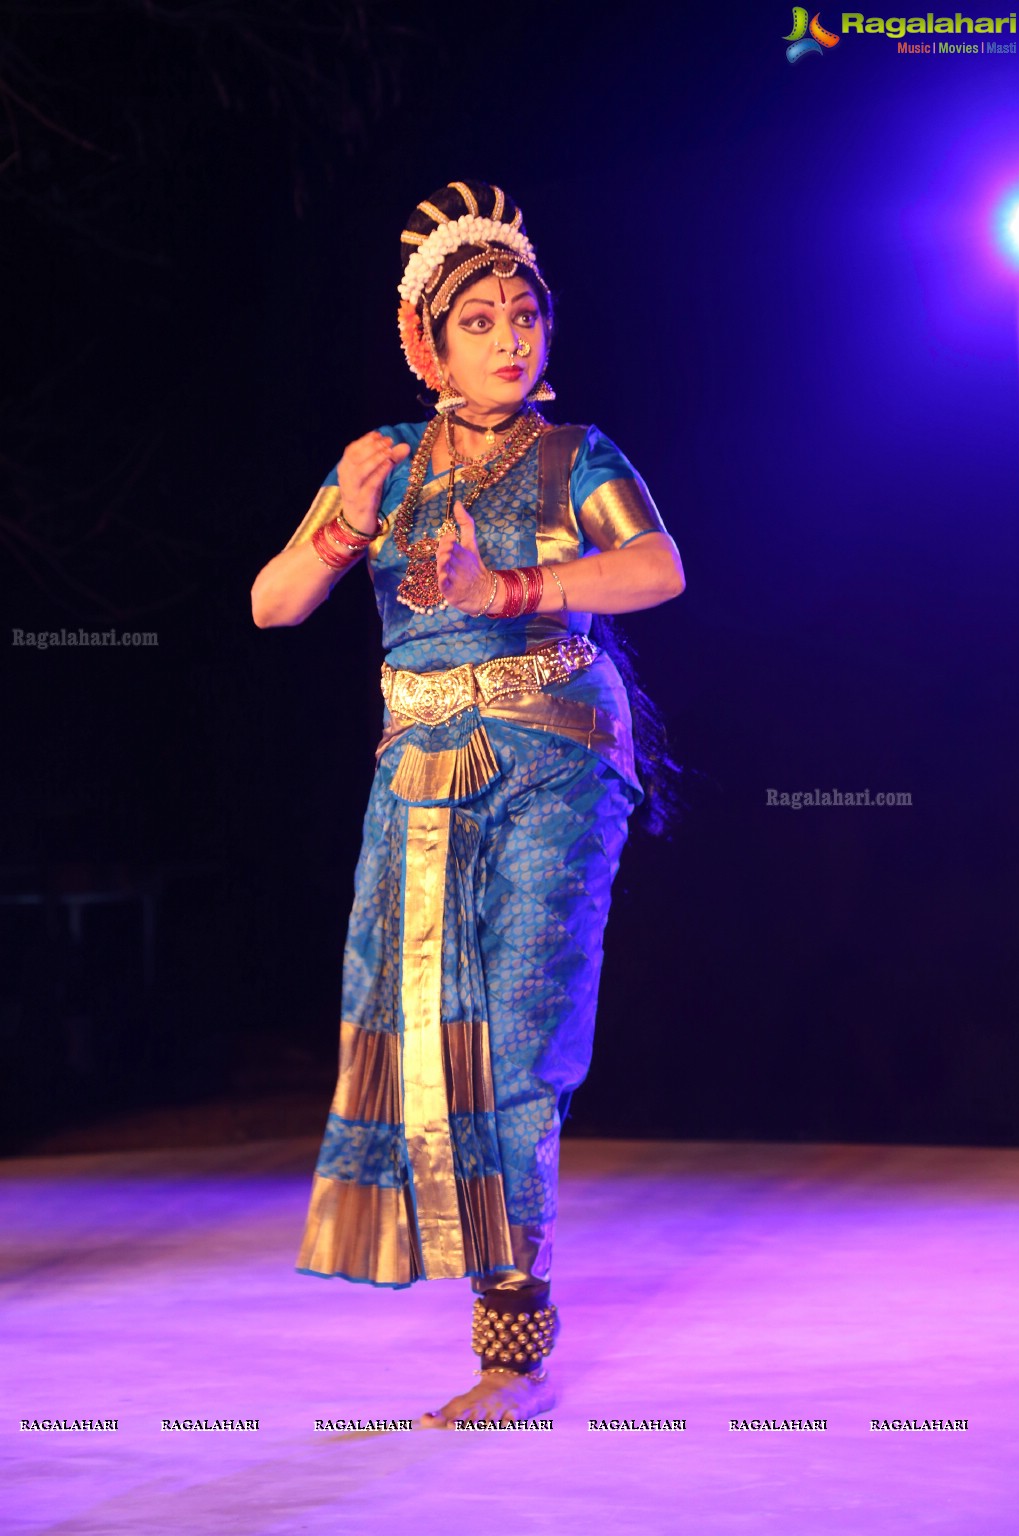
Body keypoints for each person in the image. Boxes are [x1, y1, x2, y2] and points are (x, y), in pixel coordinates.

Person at [251, 180, 684, 1428]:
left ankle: (515, 1349)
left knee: (518, 1033)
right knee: (433, 1043)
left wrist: (509, 589)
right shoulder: (382, 465)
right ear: (426, 345)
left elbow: (657, 568)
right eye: (480, 320)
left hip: (555, 758)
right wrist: (342, 515)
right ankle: (496, 1314)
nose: (509, 337)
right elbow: (273, 604)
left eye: (524, 314)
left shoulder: (575, 457)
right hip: (422, 780)